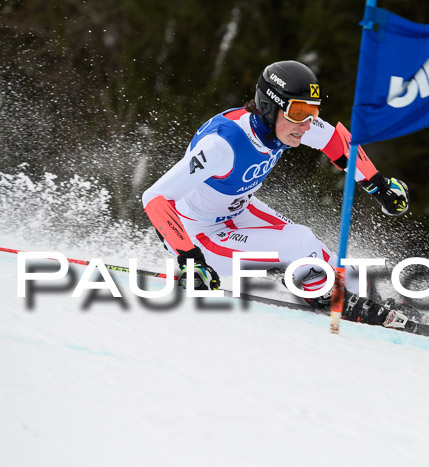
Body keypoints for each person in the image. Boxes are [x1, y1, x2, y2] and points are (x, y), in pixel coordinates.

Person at [142, 60, 411, 328]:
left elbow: (335, 140)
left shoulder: (284, 125)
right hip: (199, 235)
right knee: (299, 242)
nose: (306, 125)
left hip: (239, 211)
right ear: (269, 107)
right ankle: (326, 296)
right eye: (299, 112)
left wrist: (378, 184)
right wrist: (189, 258)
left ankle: (369, 299)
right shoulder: (222, 144)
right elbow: (154, 197)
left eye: (312, 113)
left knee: (323, 254)